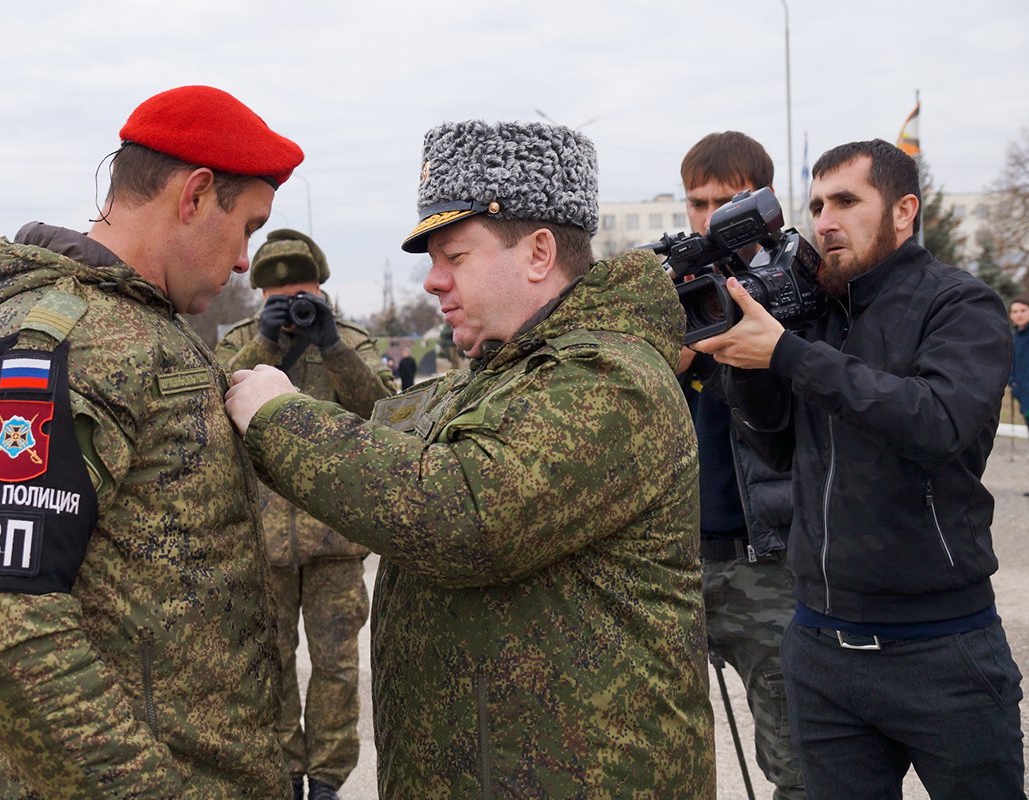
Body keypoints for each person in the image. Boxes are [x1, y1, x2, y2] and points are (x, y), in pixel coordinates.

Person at [225, 119, 714, 797]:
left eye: (454, 256)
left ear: (539, 253)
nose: (432, 282)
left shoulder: (608, 380)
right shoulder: (503, 371)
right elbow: (386, 441)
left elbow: (458, 514)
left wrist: (278, 417)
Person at [0, 85, 303, 798]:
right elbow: (4, 631)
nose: (248, 261)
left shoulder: (144, 329)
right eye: (248, 227)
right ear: (193, 196)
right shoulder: (61, 343)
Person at [696, 139, 1024, 798]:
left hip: (943, 648)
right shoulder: (812, 316)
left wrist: (787, 354)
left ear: (904, 211)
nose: (824, 221)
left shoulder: (960, 305)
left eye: (846, 200)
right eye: (816, 204)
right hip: (821, 649)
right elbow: (778, 449)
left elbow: (940, 423)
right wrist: (745, 360)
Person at [215, 229, 396, 800]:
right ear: (260, 298)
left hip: (335, 539)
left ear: (321, 290)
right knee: (270, 663)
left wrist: (333, 346)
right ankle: (285, 773)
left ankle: (325, 779)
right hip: (262, 541)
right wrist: (266, 345)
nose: (293, 306)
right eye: (279, 298)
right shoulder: (242, 342)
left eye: (303, 294)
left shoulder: (350, 342)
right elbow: (209, 410)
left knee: (338, 667)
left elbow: (386, 414)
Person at [677, 132, 803, 799]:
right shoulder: (666, 291)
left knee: (800, 762)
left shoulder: (795, 291)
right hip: (676, 563)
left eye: (726, 202)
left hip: (767, 564)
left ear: (763, 202)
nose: (708, 217)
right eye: (698, 201)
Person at [1008, 298, 1029, 497]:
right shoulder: (1015, 337)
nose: (1018, 314)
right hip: (1027, 401)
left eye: (1022, 310)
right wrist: (1013, 383)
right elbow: (1011, 366)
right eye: (1014, 311)